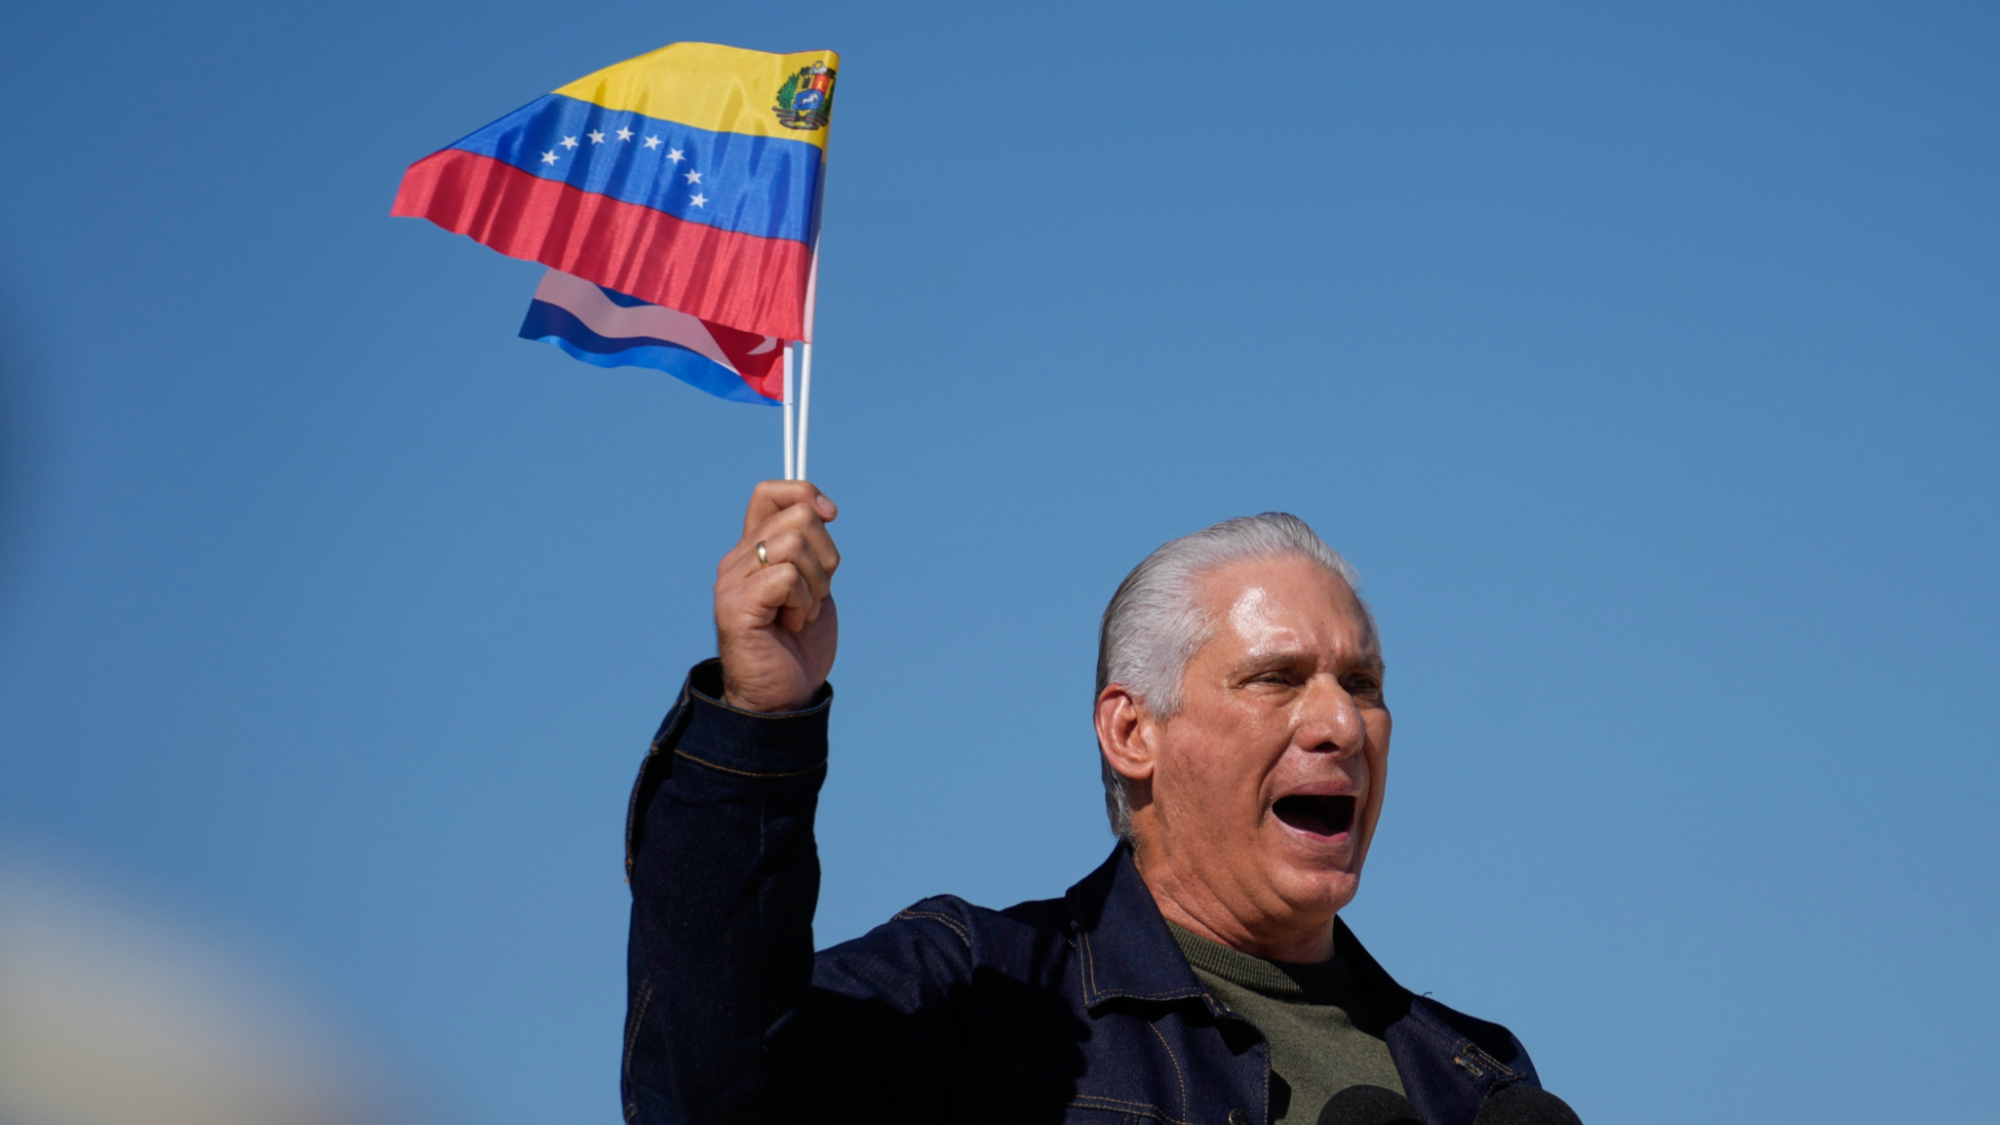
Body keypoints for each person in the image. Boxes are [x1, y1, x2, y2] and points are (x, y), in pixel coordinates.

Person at [621, 481, 1549, 1125]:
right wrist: (757, 722)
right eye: (1276, 678)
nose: (1342, 722)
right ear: (1131, 731)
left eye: (1364, 682)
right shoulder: (983, 995)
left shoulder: (1476, 1080)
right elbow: (712, 1093)